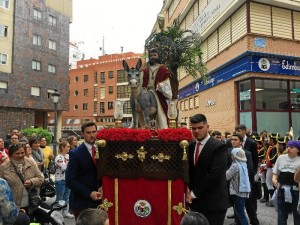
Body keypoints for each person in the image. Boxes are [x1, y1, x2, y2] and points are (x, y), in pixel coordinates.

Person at [186, 114, 230, 225]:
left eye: (200, 128)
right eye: (194, 128)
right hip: (195, 202)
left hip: (213, 203)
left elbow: (214, 175)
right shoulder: (190, 146)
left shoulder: (219, 147)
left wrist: (194, 193)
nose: (196, 131)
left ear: (207, 127)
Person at [66, 122, 103, 219]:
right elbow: (70, 180)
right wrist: (89, 193)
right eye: (88, 132)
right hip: (82, 202)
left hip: (101, 201)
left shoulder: (103, 149)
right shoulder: (76, 154)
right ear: (82, 134)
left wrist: (103, 186)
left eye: (94, 132)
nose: (92, 135)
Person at [0, 144, 44, 214]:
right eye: (17, 153)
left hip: (31, 203)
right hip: (13, 206)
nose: (20, 155)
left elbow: (41, 178)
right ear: (11, 155)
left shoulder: (30, 162)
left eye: (22, 153)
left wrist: (32, 182)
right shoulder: (4, 168)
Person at [141, 48, 172, 129]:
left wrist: (160, 86)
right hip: (147, 91)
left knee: (160, 113)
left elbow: (167, 83)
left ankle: (162, 129)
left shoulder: (163, 68)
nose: (152, 57)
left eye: (155, 55)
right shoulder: (145, 70)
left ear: (158, 56)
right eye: (151, 56)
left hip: (158, 92)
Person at [235, 124, 259, 225]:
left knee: (250, 200)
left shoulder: (251, 142)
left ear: (245, 131)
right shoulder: (231, 143)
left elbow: (255, 159)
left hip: (248, 176)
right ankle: (238, 220)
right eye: (236, 131)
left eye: (239, 130)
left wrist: (252, 173)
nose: (237, 132)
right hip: (235, 176)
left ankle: (254, 220)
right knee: (236, 200)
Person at [273, 140, 300, 225]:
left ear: (298, 150)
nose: (288, 149)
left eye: (291, 147)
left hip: (296, 191)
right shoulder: (281, 158)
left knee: (297, 215)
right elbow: (275, 173)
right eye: (287, 146)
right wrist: (274, 179)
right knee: (281, 215)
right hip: (282, 190)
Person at [227, 148, 251, 225]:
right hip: (244, 191)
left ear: (235, 156)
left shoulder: (235, 165)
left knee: (241, 214)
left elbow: (226, 176)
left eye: (232, 155)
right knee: (241, 212)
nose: (231, 157)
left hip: (238, 192)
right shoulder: (243, 163)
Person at [55, 140, 74, 218]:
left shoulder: (68, 156)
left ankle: (65, 212)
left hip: (67, 179)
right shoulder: (58, 157)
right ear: (62, 147)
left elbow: (72, 167)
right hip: (60, 180)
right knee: (60, 198)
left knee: (66, 197)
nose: (69, 148)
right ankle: (58, 213)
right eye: (67, 146)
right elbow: (64, 167)